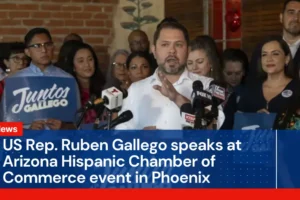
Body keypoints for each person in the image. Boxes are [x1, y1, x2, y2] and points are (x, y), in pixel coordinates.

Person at [115, 19, 225, 130]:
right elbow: (121, 133)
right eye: (165, 45)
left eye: (178, 45)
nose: (172, 50)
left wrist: (179, 99)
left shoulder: (206, 85)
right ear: (154, 50)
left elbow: (213, 128)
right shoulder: (136, 89)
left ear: (188, 50)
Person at [4, 27, 80, 130]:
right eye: (37, 46)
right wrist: (26, 131)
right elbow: (3, 128)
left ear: (53, 47)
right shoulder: (15, 81)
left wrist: (64, 127)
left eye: (47, 45)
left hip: (60, 143)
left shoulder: (68, 80)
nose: (44, 50)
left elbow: (79, 125)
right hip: (25, 144)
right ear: (27, 52)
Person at [238, 36, 300, 116]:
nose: (269, 59)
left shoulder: (297, 88)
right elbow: (239, 121)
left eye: (275, 54)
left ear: (286, 59)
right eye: (264, 55)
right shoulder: (250, 89)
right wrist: (254, 118)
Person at [248, 0, 300, 84]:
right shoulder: (262, 48)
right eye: (291, 12)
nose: (296, 18)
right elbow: (252, 81)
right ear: (281, 17)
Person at [63, 42, 106, 124]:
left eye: (90, 59)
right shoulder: (67, 92)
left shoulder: (104, 87)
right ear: (73, 67)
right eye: (81, 61)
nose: (87, 64)